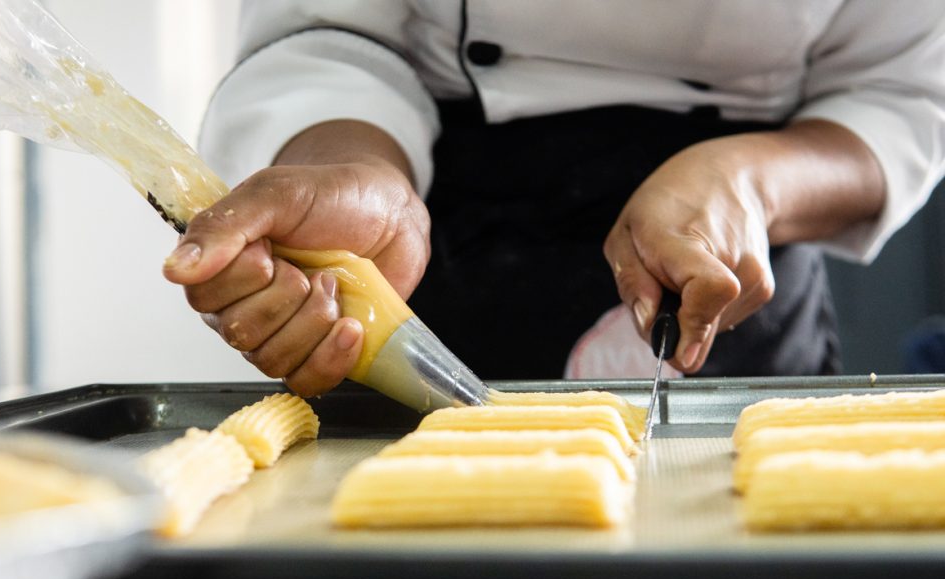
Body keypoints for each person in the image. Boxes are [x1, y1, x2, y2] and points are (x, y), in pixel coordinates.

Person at [163, 1, 945, 397]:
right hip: (434, 253)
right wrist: (342, 166)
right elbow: (327, 35)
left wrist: (749, 178)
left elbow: (902, 95)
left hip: (740, 257)